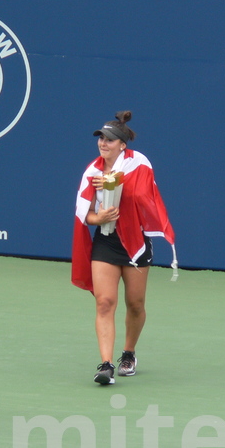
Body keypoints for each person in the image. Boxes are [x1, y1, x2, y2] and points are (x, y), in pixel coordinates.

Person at [72, 111, 177, 385]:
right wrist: (101, 218)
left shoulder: (139, 163)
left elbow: (143, 195)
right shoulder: (91, 172)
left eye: (109, 140)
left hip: (136, 243)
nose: (103, 144)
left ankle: (128, 353)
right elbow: (86, 215)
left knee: (135, 303)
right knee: (105, 302)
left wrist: (113, 183)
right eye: (101, 139)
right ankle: (106, 364)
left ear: (122, 145)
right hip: (106, 242)